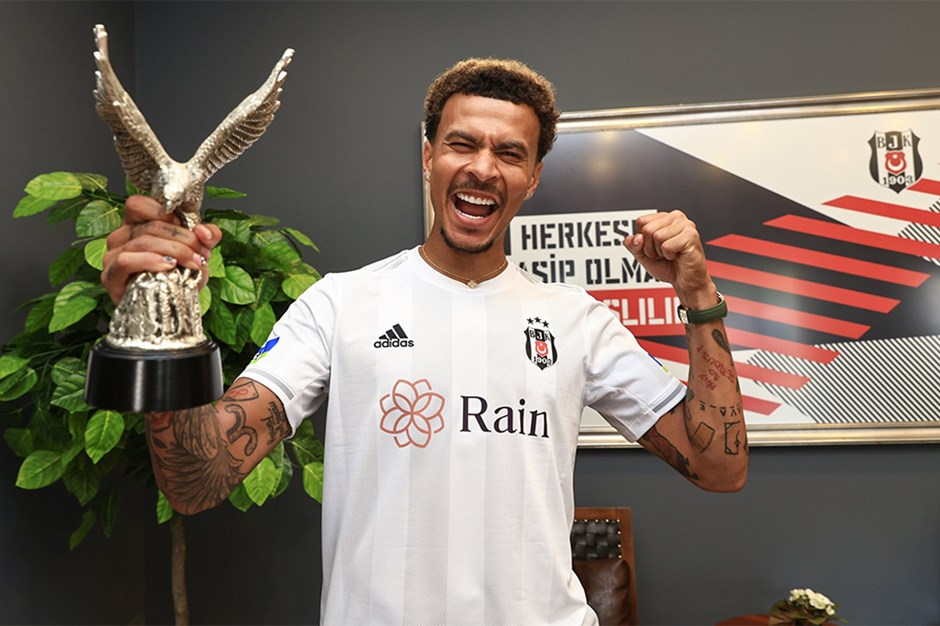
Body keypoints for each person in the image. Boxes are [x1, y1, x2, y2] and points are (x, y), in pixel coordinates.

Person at [101, 58, 747, 625]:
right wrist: (165, 316)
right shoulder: (338, 304)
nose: (483, 168)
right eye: (462, 144)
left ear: (533, 178)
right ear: (429, 156)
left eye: (510, 153)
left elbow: (719, 467)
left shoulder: (578, 321)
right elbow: (196, 478)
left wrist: (698, 294)